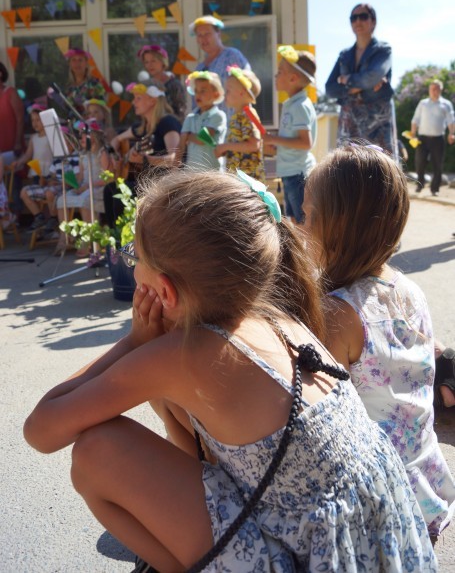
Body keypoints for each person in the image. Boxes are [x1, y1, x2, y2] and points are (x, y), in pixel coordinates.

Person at [23, 168, 437, 572]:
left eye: (135, 257)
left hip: (319, 554)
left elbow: (41, 429)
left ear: (164, 289)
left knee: (98, 451)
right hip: (377, 542)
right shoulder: (278, 317)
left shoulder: (184, 355)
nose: (132, 270)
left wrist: (135, 342)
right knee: (167, 402)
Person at [303, 143, 455, 540]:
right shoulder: (410, 290)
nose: (301, 229)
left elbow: (315, 421)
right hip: (425, 485)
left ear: (334, 227)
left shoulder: (338, 315)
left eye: (306, 216)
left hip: (379, 504)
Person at [325, 3, 398, 159]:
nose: (358, 21)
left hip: (377, 121)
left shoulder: (383, 50)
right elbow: (330, 89)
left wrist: (347, 80)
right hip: (350, 119)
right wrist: (358, 86)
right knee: (348, 169)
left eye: (363, 16)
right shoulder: (344, 55)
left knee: (381, 169)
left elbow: (372, 76)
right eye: (353, 18)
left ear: (373, 21)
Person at [105, 79, 181, 227]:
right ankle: (115, 244)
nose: (133, 102)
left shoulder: (168, 123)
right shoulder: (142, 128)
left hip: (164, 184)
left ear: (152, 100)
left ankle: (127, 245)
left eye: (138, 98)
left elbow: (175, 159)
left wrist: (147, 160)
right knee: (110, 190)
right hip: (147, 181)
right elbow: (117, 139)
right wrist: (115, 154)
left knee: (118, 196)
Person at [263, 46, 317, 225]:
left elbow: (305, 142)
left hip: (298, 174)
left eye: (280, 72)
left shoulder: (300, 106)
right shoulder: (291, 104)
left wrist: (274, 139)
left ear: (293, 78)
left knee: (304, 222)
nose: (276, 76)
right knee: (294, 220)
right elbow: (293, 140)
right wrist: (277, 146)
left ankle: (308, 253)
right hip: (289, 171)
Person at [54, 120, 111, 256]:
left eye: (83, 135)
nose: (80, 138)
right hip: (85, 187)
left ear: (94, 136)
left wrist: (86, 187)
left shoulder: (102, 153)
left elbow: (108, 178)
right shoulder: (83, 154)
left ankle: (88, 239)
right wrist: (73, 184)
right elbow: (80, 176)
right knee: (62, 199)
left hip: (99, 188)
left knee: (86, 199)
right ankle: (66, 236)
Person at [190, 15, 250, 114]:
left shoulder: (231, 56)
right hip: (205, 126)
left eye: (207, 34)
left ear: (218, 34)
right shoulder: (199, 68)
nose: (203, 39)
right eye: (199, 35)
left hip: (231, 124)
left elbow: (247, 87)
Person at [214, 66, 265, 181]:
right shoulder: (236, 116)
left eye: (228, 91)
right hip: (240, 178)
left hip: (249, 180)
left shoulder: (248, 114)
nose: (224, 95)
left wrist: (225, 146)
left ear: (242, 93)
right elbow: (240, 145)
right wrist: (226, 151)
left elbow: (253, 145)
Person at [11, 104, 54, 231]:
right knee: (36, 198)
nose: (35, 123)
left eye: (38, 120)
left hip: (49, 173)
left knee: (48, 199)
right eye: (33, 120)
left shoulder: (51, 137)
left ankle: (50, 226)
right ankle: (39, 217)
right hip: (37, 172)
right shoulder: (34, 138)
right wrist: (19, 162)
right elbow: (28, 155)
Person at [410, 79, 455, 195]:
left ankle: (435, 189)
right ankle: (420, 184)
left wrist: (452, 133)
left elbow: (451, 121)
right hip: (422, 139)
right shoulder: (423, 103)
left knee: (438, 165)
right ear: (429, 90)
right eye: (432, 88)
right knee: (420, 163)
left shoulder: (446, 104)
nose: (434, 91)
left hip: (438, 139)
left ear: (441, 90)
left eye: (436, 88)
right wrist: (412, 134)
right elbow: (415, 119)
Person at [176, 71, 226, 171]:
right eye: (196, 91)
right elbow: (181, 145)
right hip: (192, 173)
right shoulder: (190, 117)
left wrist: (188, 136)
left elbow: (203, 138)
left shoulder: (218, 115)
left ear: (216, 95)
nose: (198, 94)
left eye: (203, 91)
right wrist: (175, 167)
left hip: (213, 173)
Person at [137, 45, 187, 121]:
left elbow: (181, 113)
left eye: (153, 61)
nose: (150, 65)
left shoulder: (174, 85)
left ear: (162, 62)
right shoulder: (147, 86)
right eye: (146, 62)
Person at [64, 48, 106, 116]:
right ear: (70, 64)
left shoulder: (95, 83)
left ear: (86, 64)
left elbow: (102, 104)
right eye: (73, 60)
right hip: (74, 125)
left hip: (91, 124)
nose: (77, 63)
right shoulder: (68, 87)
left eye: (80, 60)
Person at [0, 60, 24, 167]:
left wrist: (18, 143)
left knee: (13, 179)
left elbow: (20, 119)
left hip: (11, 146)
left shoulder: (10, 92)